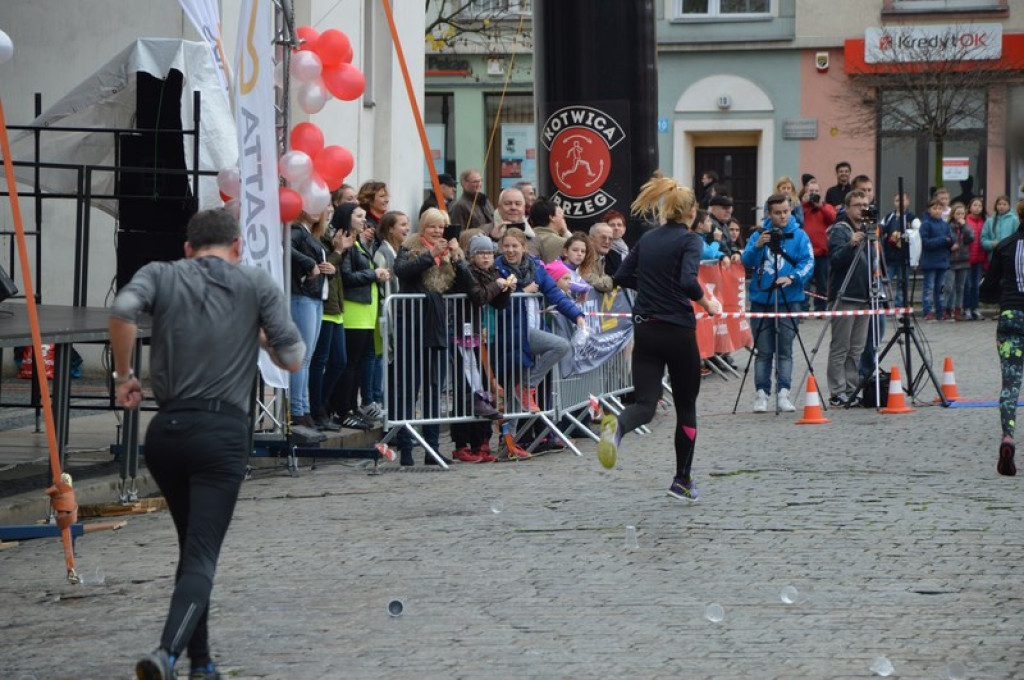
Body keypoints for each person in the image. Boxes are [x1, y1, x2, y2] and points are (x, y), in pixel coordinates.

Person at [110, 209, 304, 680]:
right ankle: (166, 654)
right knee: (201, 553)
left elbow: (122, 310)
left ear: (187, 248)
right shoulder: (255, 282)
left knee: (193, 547)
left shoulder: (160, 273)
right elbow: (294, 357)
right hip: (221, 433)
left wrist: (124, 375)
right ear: (238, 246)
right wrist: (262, 341)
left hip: (167, 431)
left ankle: (202, 663)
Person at [597, 175, 721, 502]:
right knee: (686, 407)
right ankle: (682, 481)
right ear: (691, 213)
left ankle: (618, 426)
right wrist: (707, 303)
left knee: (645, 404)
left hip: (646, 329)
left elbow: (621, 276)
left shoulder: (648, 238)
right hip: (678, 331)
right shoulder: (690, 241)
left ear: (667, 209)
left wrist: (654, 286)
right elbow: (688, 281)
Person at [392, 208, 476, 466]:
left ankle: (432, 449)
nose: (437, 231)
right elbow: (402, 271)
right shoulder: (410, 247)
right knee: (409, 387)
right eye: (432, 226)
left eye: (441, 227)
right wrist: (431, 255)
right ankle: (406, 448)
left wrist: (458, 258)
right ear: (423, 227)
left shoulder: (451, 252)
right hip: (411, 323)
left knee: (433, 386)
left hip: (438, 325)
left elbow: (468, 286)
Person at [495, 228, 585, 414]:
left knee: (516, 393)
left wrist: (577, 316)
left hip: (532, 329)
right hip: (511, 331)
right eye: (506, 246)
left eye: (515, 246)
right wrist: (522, 292)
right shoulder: (497, 269)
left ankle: (511, 430)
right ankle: (527, 387)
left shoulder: (535, 268)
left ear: (524, 247)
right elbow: (496, 300)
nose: (510, 250)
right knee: (560, 345)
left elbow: (555, 295)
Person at [741, 193, 814, 413]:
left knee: (785, 350)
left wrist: (793, 277)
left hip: (789, 299)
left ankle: (784, 393)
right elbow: (747, 262)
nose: (782, 216)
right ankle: (761, 395)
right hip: (762, 300)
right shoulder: (759, 235)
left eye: (786, 211)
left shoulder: (800, 235)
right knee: (763, 351)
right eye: (777, 213)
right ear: (769, 214)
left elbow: (808, 262)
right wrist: (756, 247)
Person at [451, 234, 514, 463]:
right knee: (467, 388)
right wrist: (497, 286)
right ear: (472, 255)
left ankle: (481, 443)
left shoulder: (493, 272)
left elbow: (497, 304)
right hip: (462, 332)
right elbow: (479, 296)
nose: (486, 257)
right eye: (481, 253)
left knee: (482, 388)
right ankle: (462, 443)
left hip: (479, 334)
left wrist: (507, 289)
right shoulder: (467, 272)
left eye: (489, 253)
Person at [332, 207, 390, 429]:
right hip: (354, 312)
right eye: (358, 216)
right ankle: (343, 409)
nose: (364, 219)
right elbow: (347, 277)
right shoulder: (347, 245)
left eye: (364, 216)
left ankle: (353, 406)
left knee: (359, 363)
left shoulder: (359, 244)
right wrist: (373, 274)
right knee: (351, 364)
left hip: (367, 312)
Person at [980, 199, 1024, 476]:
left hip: (1011, 317)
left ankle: (1008, 436)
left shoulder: (1006, 245)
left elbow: (985, 290)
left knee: (1010, 383)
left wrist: (1003, 297)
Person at [310, 205, 356, 430]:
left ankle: (321, 404)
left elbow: (335, 269)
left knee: (339, 362)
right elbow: (327, 268)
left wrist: (341, 250)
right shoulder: (319, 238)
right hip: (325, 306)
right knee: (321, 360)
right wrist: (338, 251)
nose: (328, 209)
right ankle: (315, 409)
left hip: (336, 306)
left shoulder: (336, 237)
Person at [289, 206, 335, 429]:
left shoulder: (310, 234)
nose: (317, 209)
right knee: (303, 357)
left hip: (314, 297)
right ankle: (297, 409)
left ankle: (303, 408)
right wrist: (309, 264)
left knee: (307, 357)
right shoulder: (298, 231)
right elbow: (284, 247)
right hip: (303, 296)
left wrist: (329, 269)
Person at [825, 190, 873, 407]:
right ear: (847, 207)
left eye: (865, 205)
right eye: (857, 205)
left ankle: (852, 389)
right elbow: (835, 260)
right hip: (844, 295)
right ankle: (837, 391)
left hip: (864, 295)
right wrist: (850, 244)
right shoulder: (839, 230)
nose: (862, 209)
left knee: (856, 349)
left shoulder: (867, 229)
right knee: (841, 347)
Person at [800, 178, 836, 311]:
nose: (814, 194)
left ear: (820, 193)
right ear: (806, 192)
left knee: (823, 284)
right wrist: (803, 204)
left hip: (822, 252)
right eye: (811, 191)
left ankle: (820, 309)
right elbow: (796, 219)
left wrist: (820, 206)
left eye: (816, 191)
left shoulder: (826, 207)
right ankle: (803, 309)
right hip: (805, 252)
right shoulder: (801, 207)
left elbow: (833, 219)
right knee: (805, 283)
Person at [919, 196, 953, 321]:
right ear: (929, 210)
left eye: (940, 208)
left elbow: (950, 239)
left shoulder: (945, 225)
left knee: (940, 289)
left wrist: (951, 241)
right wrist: (943, 240)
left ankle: (940, 311)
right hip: (930, 261)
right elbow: (926, 243)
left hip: (942, 261)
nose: (937, 211)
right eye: (935, 208)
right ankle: (927, 311)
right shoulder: (926, 224)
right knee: (929, 287)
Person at [881, 193, 916, 309]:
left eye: (902, 200)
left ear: (908, 201)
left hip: (904, 258)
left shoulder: (911, 217)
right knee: (886, 281)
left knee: (902, 284)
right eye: (897, 200)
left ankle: (899, 306)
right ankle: (884, 304)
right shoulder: (888, 217)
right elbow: (880, 229)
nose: (899, 203)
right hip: (890, 258)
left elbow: (916, 233)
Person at [943, 202, 974, 321]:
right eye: (958, 213)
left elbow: (971, 238)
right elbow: (948, 240)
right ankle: (946, 309)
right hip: (951, 261)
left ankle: (957, 310)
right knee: (948, 287)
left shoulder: (966, 226)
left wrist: (964, 226)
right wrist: (951, 245)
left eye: (962, 213)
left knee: (960, 287)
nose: (960, 216)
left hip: (963, 260)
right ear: (953, 214)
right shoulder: (948, 226)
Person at [964, 196, 988, 320]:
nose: (977, 208)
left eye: (980, 206)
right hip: (967, 258)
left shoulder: (984, 222)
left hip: (979, 258)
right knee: (967, 285)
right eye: (975, 205)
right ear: (970, 207)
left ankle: (975, 308)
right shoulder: (965, 220)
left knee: (976, 286)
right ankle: (966, 309)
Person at [528, 198, 568, 263]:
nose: (563, 218)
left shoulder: (523, 237)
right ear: (552, 217)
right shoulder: (562, 243)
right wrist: (566, 232)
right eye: (561, 214)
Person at [981, 195, 1020, 262]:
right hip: (993, 257)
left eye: (1004, 204)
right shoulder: (989, 221)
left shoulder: (1014, 220)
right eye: (999, 204)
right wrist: (991, 244)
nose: (1001, 206)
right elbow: (983, 239)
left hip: (1009, 257)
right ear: (996, 205)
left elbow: (1018, 238)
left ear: (1009, 206)